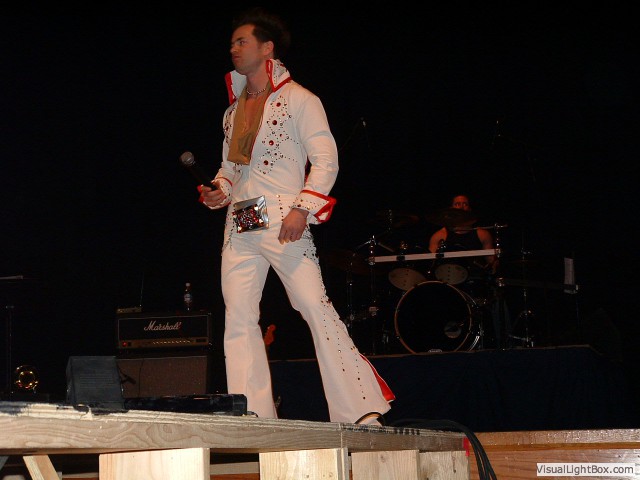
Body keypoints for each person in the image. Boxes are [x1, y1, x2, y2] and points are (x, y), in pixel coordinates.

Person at [197, 7, 394, 425]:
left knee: (312, 306)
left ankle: (360, 408)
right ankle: (252, 414)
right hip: (241, 222)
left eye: (242, 41)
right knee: (239, 317)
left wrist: (303, 207)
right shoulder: (233, 111)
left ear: (267, 48)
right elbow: (232, 168)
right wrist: (219, 191)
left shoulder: (300, 99)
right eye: (232, 43)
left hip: (284, 217)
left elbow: (326, 159)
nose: (234, 49)